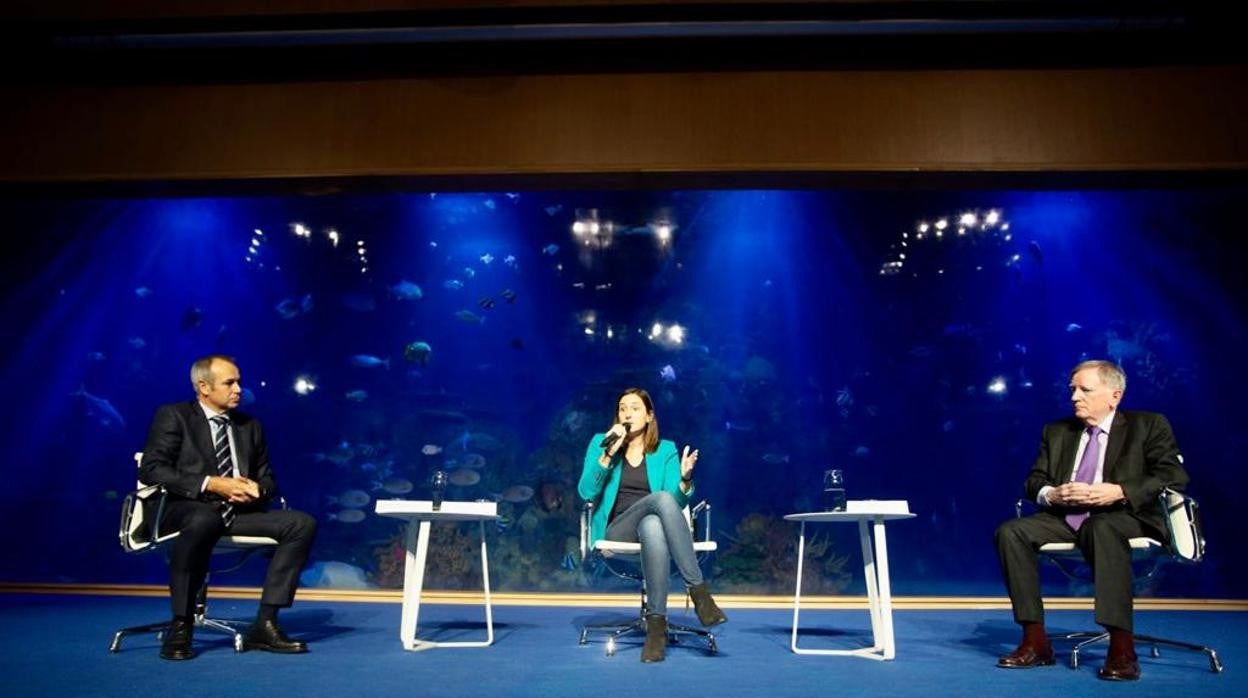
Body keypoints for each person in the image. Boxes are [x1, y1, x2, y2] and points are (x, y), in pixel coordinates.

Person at [994, 360, 1189, 681]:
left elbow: (1172, 475)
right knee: (1010, 532)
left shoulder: (1148, 425)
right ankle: (1035, 640)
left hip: (1125, 516)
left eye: (1085, 390)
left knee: (1101, 527)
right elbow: (1033, 482)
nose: (1075, 397)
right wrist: (1052, 494)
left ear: (1114, 396)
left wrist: (1119, 491)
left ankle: (1122, 647)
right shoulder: (1056, 431)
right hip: (1068, 515)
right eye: (1072, 389)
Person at [140, 354, 317, 660]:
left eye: (239, 382)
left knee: (301, 524)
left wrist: (256, 490)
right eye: (229, 383)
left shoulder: (250, 426)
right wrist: (212, 484)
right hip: (184, 509)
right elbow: (153, 470)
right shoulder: (174, 415)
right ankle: (181, 623)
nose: (238, 389)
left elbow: (268, 479)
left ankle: (265, 623)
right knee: (203, 518)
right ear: (203, 387)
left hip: (234, 513)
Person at [578, 387, 728, 663]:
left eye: (635, 408)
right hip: (617, 531)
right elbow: (586, 492)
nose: (627, 413)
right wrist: (608, 455)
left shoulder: (665, 449)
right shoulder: (601, 442)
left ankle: (656, 629)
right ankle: (699, 591)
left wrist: (685, 480)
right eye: (622, 408)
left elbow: (674, 503)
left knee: (652, 525)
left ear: (649, 416)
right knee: (658, 501)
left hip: (654, 532)